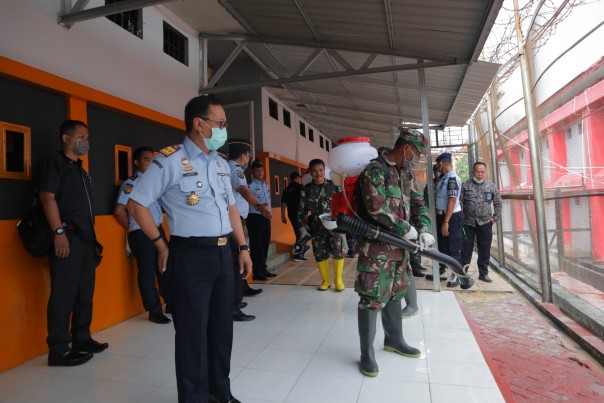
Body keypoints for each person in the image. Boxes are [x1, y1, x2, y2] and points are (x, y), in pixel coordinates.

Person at [127, 94, 251, 403]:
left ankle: (219, 392)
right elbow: (136, 204)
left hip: (224, 254)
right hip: (190, 255)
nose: (223, 129)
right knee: (193, 334)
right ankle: (194, 397)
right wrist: (159, 243)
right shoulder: (168, 160)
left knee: (222, 330)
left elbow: (232, 209)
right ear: (199, 124)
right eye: (220, 123)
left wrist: (243, 247)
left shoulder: (220, 164)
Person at [355, 129, 434, 377]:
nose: (418, 157)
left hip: (401, 248)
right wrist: (405, 227)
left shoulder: (406, 171)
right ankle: (366, 355)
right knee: (371, 298)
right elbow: (375, 208)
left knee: (395, 292)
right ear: (406, 148)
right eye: (417, 152)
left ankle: (394, 340)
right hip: (377, 249)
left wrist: (423, 228)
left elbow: (417, 201)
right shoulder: (375, 170)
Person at [37, 120, 108, 367]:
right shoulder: (54, 162)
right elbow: (47, 197)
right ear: (67, 139)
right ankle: (58, 349)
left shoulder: (78, 167)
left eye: (87, 136)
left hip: (86, 240)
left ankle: (82, 338)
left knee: (84, 293)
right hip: (66, 237)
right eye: (81, 136)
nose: (85, 141)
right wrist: (58, 232)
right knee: (63, 294)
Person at [114, 147, 171, 325]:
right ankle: (154, 310)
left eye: (153, 159)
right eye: (147, 159)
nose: (151, 162)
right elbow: (119, 210)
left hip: (157, 229)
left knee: (165, 267)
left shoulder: (154, 182)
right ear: (137, 163)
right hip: (141, 232)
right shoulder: (131, 183)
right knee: (147, 272)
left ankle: (171, 303)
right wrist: (134, 226)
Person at [227, 138, 264, 322]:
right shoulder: (236, 170)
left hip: (232, 221)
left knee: (237, 261)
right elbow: (243, 191)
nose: (249, 159)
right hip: (233, 223)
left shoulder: (226, 168)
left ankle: (238, 295)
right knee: (237, 261)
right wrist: (259, 206)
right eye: (248, 156)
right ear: (243, 156)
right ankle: (233, 305)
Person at [298, 159, 345, 291]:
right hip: (316, 227)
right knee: (319, 253)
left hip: (334, 225)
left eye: (321, 170)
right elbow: (301, 211)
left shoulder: (334, 186)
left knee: (338, 251)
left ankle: (338, 280)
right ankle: (325, 281)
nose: (318, 173)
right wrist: (303, 229)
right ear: (310, 172)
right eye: (314, 171)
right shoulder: (306, 190)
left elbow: (343, 205)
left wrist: (344, 223)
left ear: (325, 170)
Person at [461, 161, 502, 282]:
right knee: (465, 249)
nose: (480, 174)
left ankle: (483, 273)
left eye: (482, 172)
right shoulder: (465, 185)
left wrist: (495, 218)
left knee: (484, 249)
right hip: (468, 223)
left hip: (485, 223)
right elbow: (459, 202)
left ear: (485, 172)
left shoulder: (491, 186)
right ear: (473, 171)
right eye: (478, 171)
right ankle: (463, 273)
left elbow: (498, 203)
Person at [434, 152, 464, 288]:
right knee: (442, 246)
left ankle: (457, 275)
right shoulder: (443, 178)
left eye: (437, 165)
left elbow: (452, 200)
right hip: (442, 216)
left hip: (451, 218)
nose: (437, 168)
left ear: (440, 164)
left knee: (453, 247)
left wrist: (446, 222)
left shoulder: (452, 178)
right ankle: (442, 271)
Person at [246, 159, 275, 281]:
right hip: (254, 217)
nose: (260, 172)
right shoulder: (249, 186)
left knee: (264, 243)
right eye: (257, 170)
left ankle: (263, 268)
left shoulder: (265, 184)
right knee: (256, 245)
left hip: (265, 217)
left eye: (261, 170)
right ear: (252, 172)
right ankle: (257, 271)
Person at [281, 171, 308, 261]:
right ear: (297, 178)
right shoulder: (301, 187)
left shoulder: (287, 189)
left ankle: (301, 250)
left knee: (299, 233)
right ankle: (298, 253)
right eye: (300, 178)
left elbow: (283, 203)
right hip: (300, 214)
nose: (301, 180)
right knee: (301, 233)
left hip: (291, 214)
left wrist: (283, 216)